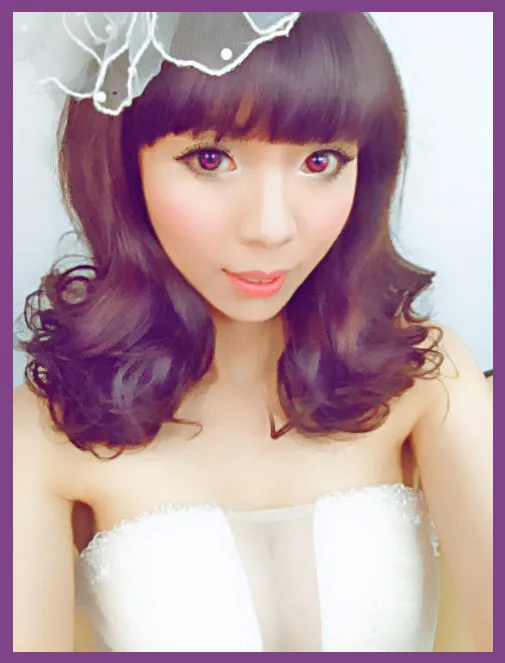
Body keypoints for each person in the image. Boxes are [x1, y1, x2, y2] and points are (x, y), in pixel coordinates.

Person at [13, 12, 492, 652]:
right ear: (124, 166)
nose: (271, 228)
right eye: (211, 159)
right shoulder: (43, 431)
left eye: (320, 160)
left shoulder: (426, 376)